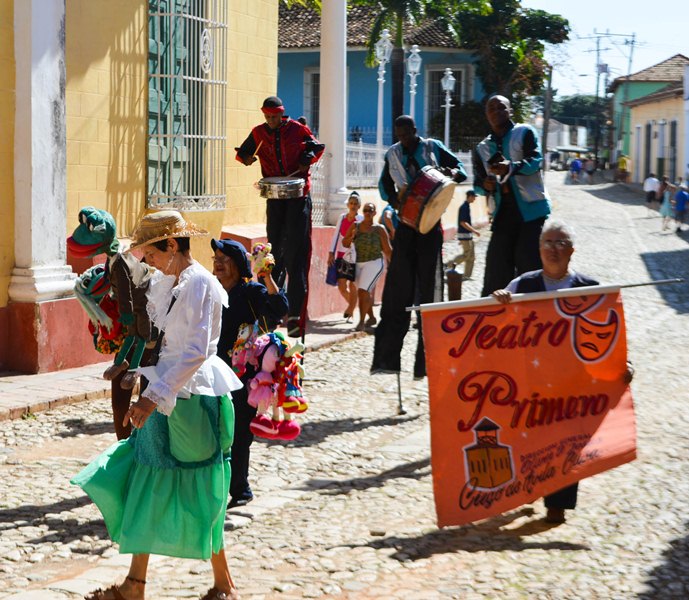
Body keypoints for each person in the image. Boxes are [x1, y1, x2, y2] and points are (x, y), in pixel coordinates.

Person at [72, 210, 243, 600]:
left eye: (149, 252)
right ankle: (135, 584)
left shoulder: (199, 283)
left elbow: (196, 352)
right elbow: (158, 342)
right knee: (149, 476)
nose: (145, 260)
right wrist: (133, 370)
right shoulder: (169, 282)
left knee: (201, 485)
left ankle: (224, 584)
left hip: (192, 400)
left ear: (170, 245)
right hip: (161, 393)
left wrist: (151, 398)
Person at [492, 218, 633, 524]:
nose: (553, 249)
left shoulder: (592, 290)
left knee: (568, 442)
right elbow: (498, 328)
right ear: (539, 248)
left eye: (561, 243)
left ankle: (558, 502)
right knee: (530, 440)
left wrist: (623, 364)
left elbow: (609, 336)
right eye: (548, 243)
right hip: (530, 381)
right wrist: (500, 303)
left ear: (572, 250)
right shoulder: (522, 286)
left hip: (574, 384)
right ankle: (529, 487)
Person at [371, 115, 467, 378]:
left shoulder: (433, 147)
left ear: (415, 130)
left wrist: (451, 174)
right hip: (405, 226)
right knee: (397, 292)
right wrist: (395, 199)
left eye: (406, 133)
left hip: (430, 228)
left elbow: (461, 169)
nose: (402, 138)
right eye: (398, 134)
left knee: (431, 292)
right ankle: (387, 360)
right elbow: (383, 185)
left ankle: (426, 364)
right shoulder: (392, 154)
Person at [235, 96, 325, 338]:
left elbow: (317, 148)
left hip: (297, 199)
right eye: (267, 117)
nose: (270, 121)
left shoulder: (297, 129)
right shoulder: (258, 132)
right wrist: (248, 159)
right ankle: (271, 314)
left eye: (274, 117)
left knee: (296, 257)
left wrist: (307, 159)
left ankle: (296, 317)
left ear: (281, 113)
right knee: (273, 256)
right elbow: (243, 154)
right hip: (275, 199)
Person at [211, 238, 288, 509]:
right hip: (212, 372)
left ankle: (240, 489)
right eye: (215, 259)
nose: (218, 263)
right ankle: (215, 484)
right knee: (213, 428)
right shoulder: (212, 290)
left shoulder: (251, 291)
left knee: (240, 432)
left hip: (243, 376)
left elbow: (279, 308)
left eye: (224, 258)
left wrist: (266, 277)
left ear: (238, 263)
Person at [473, 94, 551, 297]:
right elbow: (478, 185)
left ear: (510, 111)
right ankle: (494, 322)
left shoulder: (525, 132)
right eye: (491, 108)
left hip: (531, 213)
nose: (496, 112)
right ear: (486, 114)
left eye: (501, 108)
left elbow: (535, 161)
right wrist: (486, 185)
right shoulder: (481, 148)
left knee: (530, 269)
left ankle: (534, 320)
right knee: (496, 272)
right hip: (502, 214)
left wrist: (513, 167)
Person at [343, 202, 392, 332]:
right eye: (365, 210)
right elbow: (345, 242)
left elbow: (387, 249)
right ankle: (371, 317)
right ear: (362, 212)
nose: (368, 212)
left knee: (363, 291)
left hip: (374, 263)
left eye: (370, 210)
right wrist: (351, 237)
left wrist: (394, 267)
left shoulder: (379, 229)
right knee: (363, 291)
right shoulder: (356, 226)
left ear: (375, 213)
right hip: (358, 263)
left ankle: (361, 322)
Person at [328, 191, 363, 322]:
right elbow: (336, 235)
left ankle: (350, 311)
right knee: (342, 286)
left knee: (353, 285)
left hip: (355, 257)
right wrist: (331, 253)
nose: (353, 206)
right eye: (351, 203)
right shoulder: (342, 218)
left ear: (359, 206)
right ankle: (352, 307)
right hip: (341, 256)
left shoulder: (360, 220)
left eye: (356, 204)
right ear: (348, 204)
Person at [445, 189, 480, 279]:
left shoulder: (467, 206)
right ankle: (447, 265)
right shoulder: (464, 207)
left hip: (467, 235)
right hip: (465, 234)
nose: (474, 199)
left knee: (471, 256)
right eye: (474, 197)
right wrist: (474, 231)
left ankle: (467, 275)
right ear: (470, 196)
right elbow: (463, 223)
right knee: (466, 255)